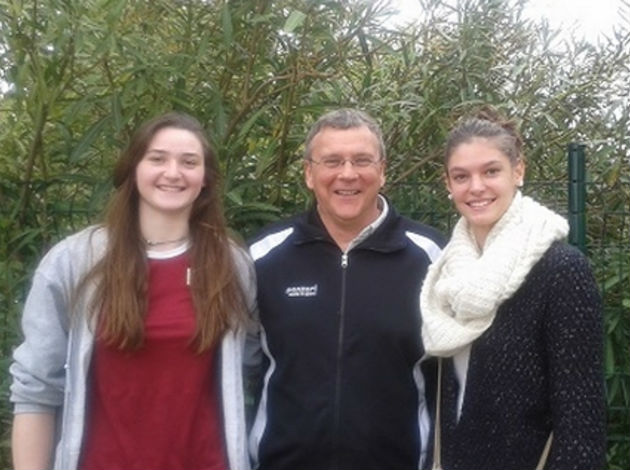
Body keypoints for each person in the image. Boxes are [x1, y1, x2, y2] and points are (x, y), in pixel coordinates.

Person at [10, 112, 256, 470]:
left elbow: (251, 362)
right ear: (134, 168)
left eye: (189, 162)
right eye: (157, 159)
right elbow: (36, 388)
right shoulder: (75, 261)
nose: (173, 172)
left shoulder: (231, 265)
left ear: (205, 177)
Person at [247, 108, 445, 469]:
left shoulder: (433, 258)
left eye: (362, 160)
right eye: (332, 161)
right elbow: (239, 366)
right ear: (309, 173)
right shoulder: (263, 257)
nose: (348, 174)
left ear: (382, 171)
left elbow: (453, 376)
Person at [420, 108, 606, 470]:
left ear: (518, 171)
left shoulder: (561, 270)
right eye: (461, 176)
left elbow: (581, 420)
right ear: (448, 183)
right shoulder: (447, 276)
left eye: (491, 171)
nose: (476, 187)